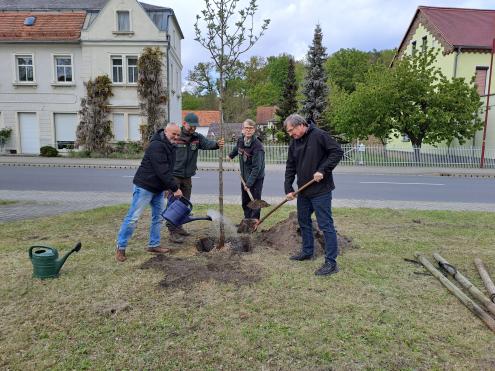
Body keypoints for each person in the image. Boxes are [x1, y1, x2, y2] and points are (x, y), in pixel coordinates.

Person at [284, 114, 343, 276]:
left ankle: (331, 263)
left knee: (325, 225)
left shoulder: (319, 135)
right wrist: (288, 188)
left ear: (301, 125)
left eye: (291, 130)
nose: (290, 134)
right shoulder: (294, 142)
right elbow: (290, 166)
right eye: (289, 132)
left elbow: (337, 152)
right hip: (303, 191)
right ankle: (307, 251)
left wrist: (322, 170)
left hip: (321, 191)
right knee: (303, 221)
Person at [115, 123, 183, 262]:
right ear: (165, 132)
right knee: (133, 218)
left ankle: (154, 245)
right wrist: (175, 188)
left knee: (158, 217)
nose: (176, 137)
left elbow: (168, 169)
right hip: (144, 187)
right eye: (173, 134)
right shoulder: (156, 145)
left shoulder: (172, 146)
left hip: (157, 189)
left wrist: (166, 187)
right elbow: (161, 170)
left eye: (178, 134)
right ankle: (120, 247)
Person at [168, 112, 224, 242]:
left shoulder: (197, 138)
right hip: (175, 176)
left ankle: (179, 226)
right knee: (173, 204)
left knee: (184, 204)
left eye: (195, 126)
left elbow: (207, 144)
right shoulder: (176, 136)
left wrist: (217, 144)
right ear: (184, 124)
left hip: (188, 176)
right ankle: (172, 231)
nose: (193, 128)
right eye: (191, 126)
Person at [227, 119, 265, 221]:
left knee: (255, 201)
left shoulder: (257, 146)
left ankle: (254, 222)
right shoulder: (240, 140)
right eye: (246, 128)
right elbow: (237, 149)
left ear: (254, 130)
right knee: (245, 201)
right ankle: (247, 220)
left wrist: (249, 183)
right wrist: (231, 155)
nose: (248, 130)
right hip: (244, 176)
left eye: (250, 128)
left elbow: (257, 168)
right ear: (242, 129)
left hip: (256, 178)